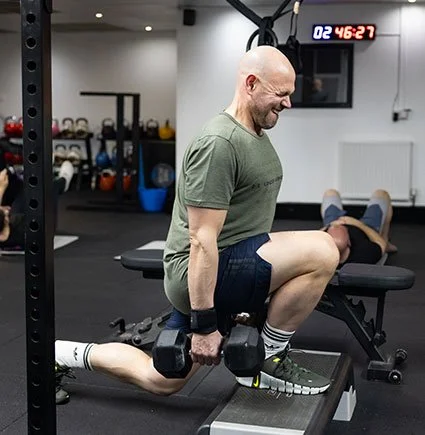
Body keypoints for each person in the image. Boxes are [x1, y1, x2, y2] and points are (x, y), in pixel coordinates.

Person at [55, 45, 340, 405]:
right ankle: (267, 357)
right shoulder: (219, 143)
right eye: (280, 94)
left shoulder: (254, 135)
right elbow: (202, 239)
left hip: (229, 266)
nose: (287, 103)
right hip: (205, 270)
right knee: (322, 248)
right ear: (251, 84)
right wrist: (204, 325)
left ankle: (61, 354)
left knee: (161, 379)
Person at [0, 161, 74, 249]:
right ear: (6, 219)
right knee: (47, 190)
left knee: (22, 190)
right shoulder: (27, 231)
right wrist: (1, 188)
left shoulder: (10, 225)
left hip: (12, 225)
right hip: (42, 224)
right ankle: (63, 180)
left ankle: (27, 171)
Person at [321, 188, 398, 266]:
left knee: (330, 193)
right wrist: (358, 224)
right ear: (349, 242)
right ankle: (385, 238)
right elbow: (381, 244)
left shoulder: (319, 252)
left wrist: (331, 225)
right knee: (382, 194)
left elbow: (313, 234)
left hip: (334, 222)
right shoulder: (364, 253)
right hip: (366, 229)